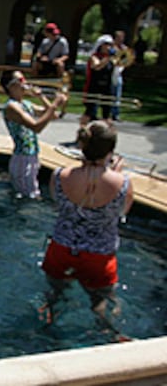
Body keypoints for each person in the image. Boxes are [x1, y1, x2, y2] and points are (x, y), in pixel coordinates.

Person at [39, 121, 134, 340]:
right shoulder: (123, 183)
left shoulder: (59, 175)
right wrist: (114, 173)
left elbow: (58, 202)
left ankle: (46, 329)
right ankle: (110, 333)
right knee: (102, 300)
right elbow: (122, 213)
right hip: (99, 255)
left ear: (81, 146)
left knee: (54, 295)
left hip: (61, 249)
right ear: (110, 151)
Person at [0, 69, 67, 198]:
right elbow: (36, 127)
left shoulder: (25, 104)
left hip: (32, 155)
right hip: (22, 158)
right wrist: (55, 103)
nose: (25, 82)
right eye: (21, 80)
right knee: (28, 197)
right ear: (11, 86)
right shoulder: (11, 107)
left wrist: (42, 97)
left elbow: (52, 115)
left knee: (31, 194)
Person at [80, 34, 115, 127]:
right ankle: (82, 131)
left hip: (107, 86)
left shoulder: (111, 59)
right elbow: (97, 66)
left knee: (107, 112)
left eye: (110, 44)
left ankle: (107, 134)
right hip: (94, 85)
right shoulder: (94, 57)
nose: (109, 47)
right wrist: (107, 58)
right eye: (106, 44)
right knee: (89, 111)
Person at [110, 30, 134, 121]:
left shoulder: (124, 49)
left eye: (122, 38)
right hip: (110, 72)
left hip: (118, 72)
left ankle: (115, 114)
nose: (120, 40)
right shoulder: (111, 48)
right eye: (119, 38)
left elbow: (128, 59)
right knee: (109, 94)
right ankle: (107, 112)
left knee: (117, 94)